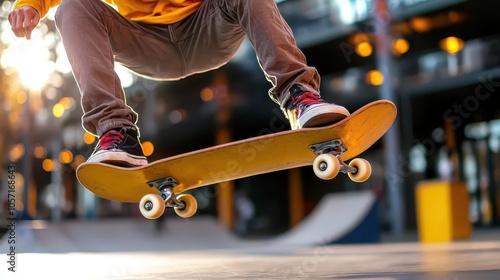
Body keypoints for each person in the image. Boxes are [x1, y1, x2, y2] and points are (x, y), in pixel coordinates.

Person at [9, 0, 350, 167]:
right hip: (145, 42)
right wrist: (30, 5)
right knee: (72, 7)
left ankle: (299, 95)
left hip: (207, 27)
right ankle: (116, 134)